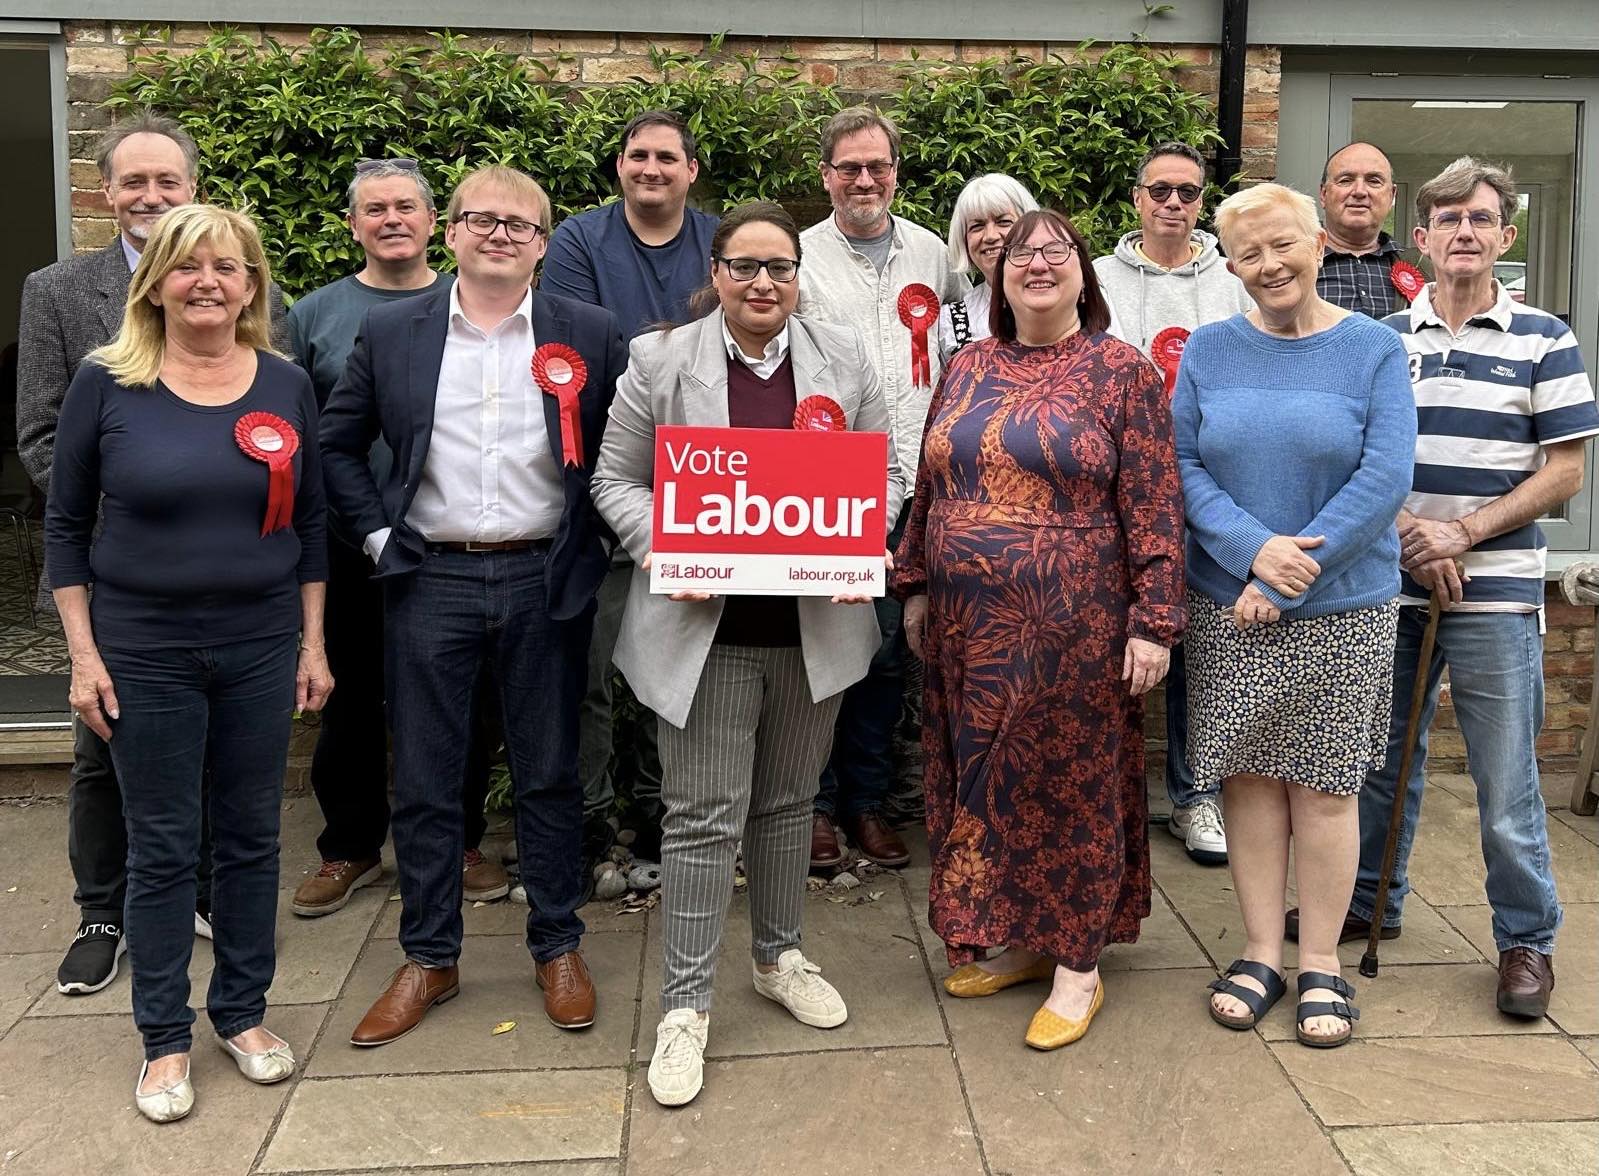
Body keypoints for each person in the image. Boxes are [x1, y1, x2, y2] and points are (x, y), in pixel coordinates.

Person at [592, 200, 905, 1106]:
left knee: (785, 805)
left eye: (778, 268)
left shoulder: (843, 357)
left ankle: (778, 958)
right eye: (744, 267)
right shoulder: (660, 360)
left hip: (811, 631)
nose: (762, 283)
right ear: (716, 272)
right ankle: (684, 1008)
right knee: (699, 818)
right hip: (707, 634)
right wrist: (665, 548)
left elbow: (885, 470)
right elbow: (614, 477)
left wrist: (861, 537)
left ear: (796, 277)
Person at [321, 165, 626, 1046]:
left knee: (550, 770)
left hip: (544, 578)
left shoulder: (590, 332)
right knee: (423, 776)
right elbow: (337, 444)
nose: (500, 234)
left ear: (543, 242)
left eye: (520, 225)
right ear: (450, 232)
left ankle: (557, 945)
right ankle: (429, 955)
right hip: (430, 579)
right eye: (481, 220)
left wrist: (596, 539)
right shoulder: (394, 331)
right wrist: (381, 539)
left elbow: (622, 452)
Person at [44, 204, 332, 1122]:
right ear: (155, 281)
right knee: (164, 846)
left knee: (251, 839)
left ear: (252, 284)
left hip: (256, 644)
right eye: (187, 266)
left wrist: (311, 640)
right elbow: (64, 525)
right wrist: (84, 656)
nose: (207, 281)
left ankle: (241, 1013)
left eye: (228, 267)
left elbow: (312, 523)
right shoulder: (107, 381)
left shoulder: (284, 383)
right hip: (145, 649)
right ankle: (163, 1037)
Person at [1293, 157, 1598, 1019]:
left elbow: (1566, 470)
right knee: (1377, 761)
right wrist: (1410, 540)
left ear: (1504, 237)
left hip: (1496, 588)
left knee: (1506, 781)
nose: (1465, 231)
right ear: (1420, 239)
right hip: (1386, 583)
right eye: (1448, 219)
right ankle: (1364, 902)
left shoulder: (1544, 337)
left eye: (1482, 218)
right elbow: (1358, 464)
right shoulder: (1382, 340)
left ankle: (1525, 940)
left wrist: (1462, 533)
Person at [893, 208, 1184, 1050]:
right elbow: (931, 481)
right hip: (966, 633)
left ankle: (1077, 966)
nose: (1038, 264)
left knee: (1069, 787)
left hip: (1075, 634)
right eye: (1021, 254)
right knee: (986, 787)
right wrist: (913, 586)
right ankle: (1020, 937)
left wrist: (1153, 622)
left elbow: (1155, 505)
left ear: (1083, 274)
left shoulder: (1121, 372)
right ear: (996, 276)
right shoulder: (967, 365)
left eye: (1057, 252)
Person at [17, 110, 287, 997]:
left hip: (223, 589)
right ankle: (103, 911)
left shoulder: (232, 293)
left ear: (191, 190)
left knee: (211, 761)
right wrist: (130, 502)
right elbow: (42, 431)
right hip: (111, 571)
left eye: (166, 181)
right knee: (101, 747)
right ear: (105, 194)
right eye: (132, 182)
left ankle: (197, 897)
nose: (149, 196)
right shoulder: (58, 289)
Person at [1174, 183, 1415, 1049]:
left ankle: (1320, 960)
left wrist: (1282, 577)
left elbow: (1384, 478)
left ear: (1317, 242)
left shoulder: (1374, 350)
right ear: (1229, 266)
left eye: (1281, 245)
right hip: (1227, 604)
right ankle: (1259, 949)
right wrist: (1249, 550)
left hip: (1341, 607)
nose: (1268, 265)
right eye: (1248, 254)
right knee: (1246, 781)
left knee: (1323, 788)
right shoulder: (1205, 350)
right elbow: (1185, 470)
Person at [287, 158, 506, 917]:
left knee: (464, 701)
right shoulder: (313, 315)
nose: (391, 220)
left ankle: (463, 839)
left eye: (406, 207)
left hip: (447, 545)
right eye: (374, 209)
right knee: (347, 700)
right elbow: (301, 436)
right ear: (353, 225)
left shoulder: (474, 302)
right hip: (352, 546)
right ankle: (349, 846)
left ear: (434, 223)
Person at [542, 110, 719, 868]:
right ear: (619, 166)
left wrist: (651, 354)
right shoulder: (580, 239)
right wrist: (667, 352)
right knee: (584, 668)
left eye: (666, 157)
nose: (651, 168)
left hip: (699, 481)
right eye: (637, 156)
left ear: (690, 171)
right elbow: (580, 338)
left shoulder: (718, 240)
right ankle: (586, 820)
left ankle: (659, 814)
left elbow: (729, 339)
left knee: (673, 660)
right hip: (589, 473)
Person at [797, 106, 968, 870]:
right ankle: (812, 805)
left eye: (877, 166)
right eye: (848, 168)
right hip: (823, 486)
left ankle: (865, 803)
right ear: (825, 176)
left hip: (916, 488)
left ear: (896, 172)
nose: (864, 180)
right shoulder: (798, 258)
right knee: (821, 651)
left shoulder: (934, 255)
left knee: (885, 655)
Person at [1093, 140, 1252, 867]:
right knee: (1112, 647)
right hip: (1113, 492)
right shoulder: (1094, 278)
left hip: (1210, 487)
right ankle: (1108, 796)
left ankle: (1196, 798)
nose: (1173, 204)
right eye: (1159, 190)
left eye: (1187, 193)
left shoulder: (1233, 279)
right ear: (1135, 198)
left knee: (1201, 656)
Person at [935, 173, 1040, 362]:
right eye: (977, 226)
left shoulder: (1068, 303)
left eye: (1003, 222)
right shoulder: (951, 322)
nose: (990, 236)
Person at [1316, 142, 1406, 317]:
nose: (1359, 191)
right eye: (1346, 180)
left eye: (1373, 181)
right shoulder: (1291, 261)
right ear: (1323, 194)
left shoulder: (1424, 268)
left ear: (1392, 195)